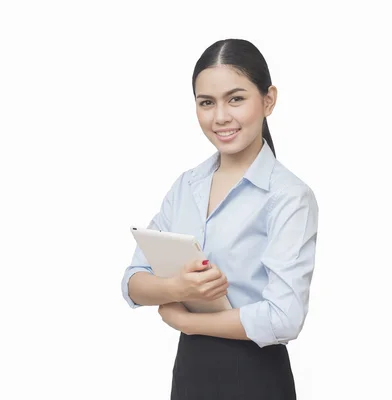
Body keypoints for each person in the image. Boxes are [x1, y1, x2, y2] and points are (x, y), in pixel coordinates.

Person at [120, 38, 319, 400]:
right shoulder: (186, 186)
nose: (220, 116)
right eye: (206, 103)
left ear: (268, 100)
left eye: (236, 98)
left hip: (256, 381)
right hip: (190, 376)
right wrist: (178, 289)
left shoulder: (289, 197)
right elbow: (132, 282)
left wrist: (186, 320)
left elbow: (284, 317)